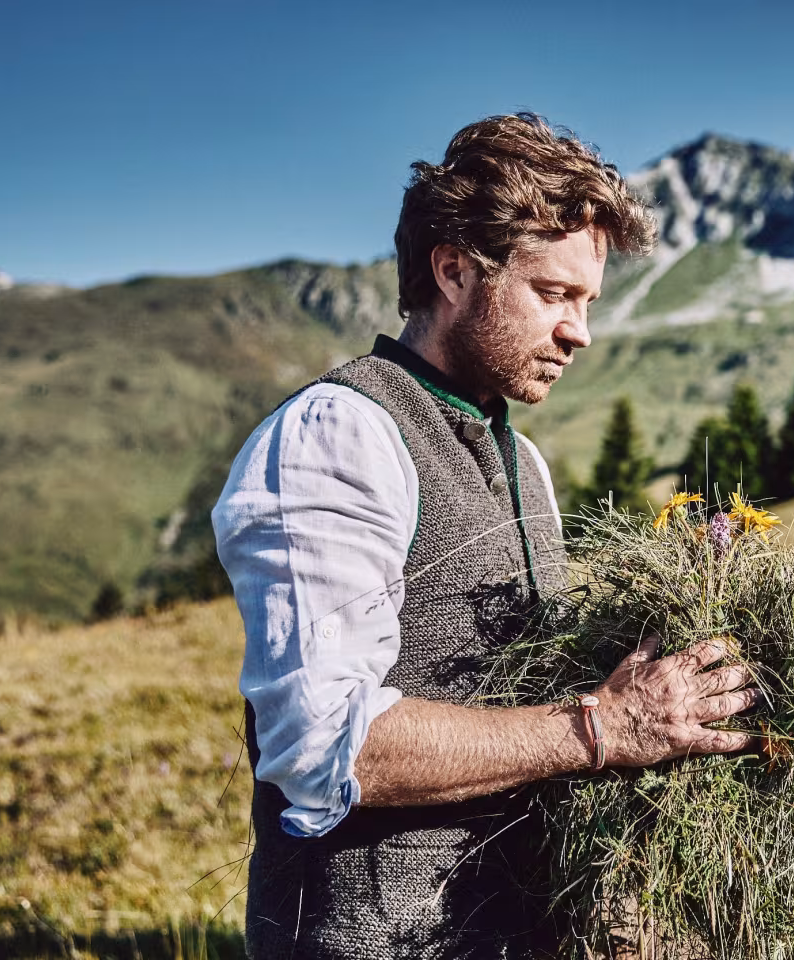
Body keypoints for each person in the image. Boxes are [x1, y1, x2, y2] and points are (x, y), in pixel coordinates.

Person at [212, 113, 759, 959]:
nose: (581, 332)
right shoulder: (339, 433)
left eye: (589, 302)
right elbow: (323, 741)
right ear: (456, 270)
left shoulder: (525, 463)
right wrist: (600, 730)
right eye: (555, 295)